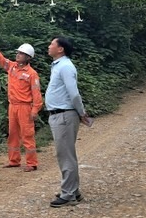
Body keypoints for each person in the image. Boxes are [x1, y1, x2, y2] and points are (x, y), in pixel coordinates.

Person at [0, 37, 43, 172]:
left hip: (25, 107)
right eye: (18, 52)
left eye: (21, 53)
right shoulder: (11, 67)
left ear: (28, 57)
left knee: (27, 135)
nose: (17, 54)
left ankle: (32, 163)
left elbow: (37, 94)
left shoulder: (32, 74)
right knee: (13, 134)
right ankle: (14, 161)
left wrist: (35, 110)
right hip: (13, 106)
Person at [45, 36, 91, 207]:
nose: (48, 46)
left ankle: (69, 194)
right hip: (60, 115)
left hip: (64, 115)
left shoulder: (65, 66)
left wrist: (81, 112)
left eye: (52, 44)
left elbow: (74, 93)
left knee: (65, 155)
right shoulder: (59, 65)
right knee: (65, 154)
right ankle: (73, 190)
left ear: (60, 49)